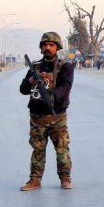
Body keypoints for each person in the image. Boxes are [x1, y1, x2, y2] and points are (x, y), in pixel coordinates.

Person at [19, 32, 75, 191]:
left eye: (51, 45)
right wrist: (31, 81)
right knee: (37, 149)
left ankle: (65, 178)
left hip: (57, 116)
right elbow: (23, 89)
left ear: (57, 47)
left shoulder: (65, 66)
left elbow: (66, 86)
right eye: (44, 45)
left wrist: (51, 97)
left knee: (62, 148)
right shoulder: (35, 67)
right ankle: (35, 180)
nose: (47, 48)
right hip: (37, 117)